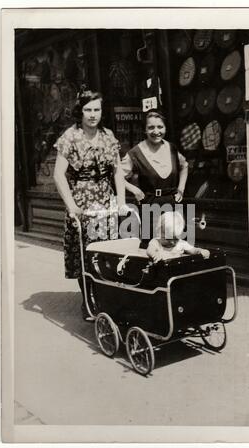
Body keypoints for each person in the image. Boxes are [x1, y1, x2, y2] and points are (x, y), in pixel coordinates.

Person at [53, 88, 127, 320]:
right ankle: (88, 300)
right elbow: (58, 174)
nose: (93, 114)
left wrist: (122, 202)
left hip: (106, 201)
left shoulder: (108, 136)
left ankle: (107, 298)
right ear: (80, 111)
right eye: (88, 109)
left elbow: (117, 173)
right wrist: (72, 206)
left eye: (97, 109)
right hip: (82, 202)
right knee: (86, 254)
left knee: (109, 252)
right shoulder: (70, 137)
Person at [121, 109, 189, 244]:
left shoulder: (172, 149)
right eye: (151, 127)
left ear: (165, 128)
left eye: (160, 127)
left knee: (179, 247)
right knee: (152, 248)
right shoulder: (136, 153)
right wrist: (134, 190)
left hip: (173, 204)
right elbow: (117, 176)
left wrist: (181, 189)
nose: (156, 131)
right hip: (150, 206)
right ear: (145, 130)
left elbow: (184, 166)